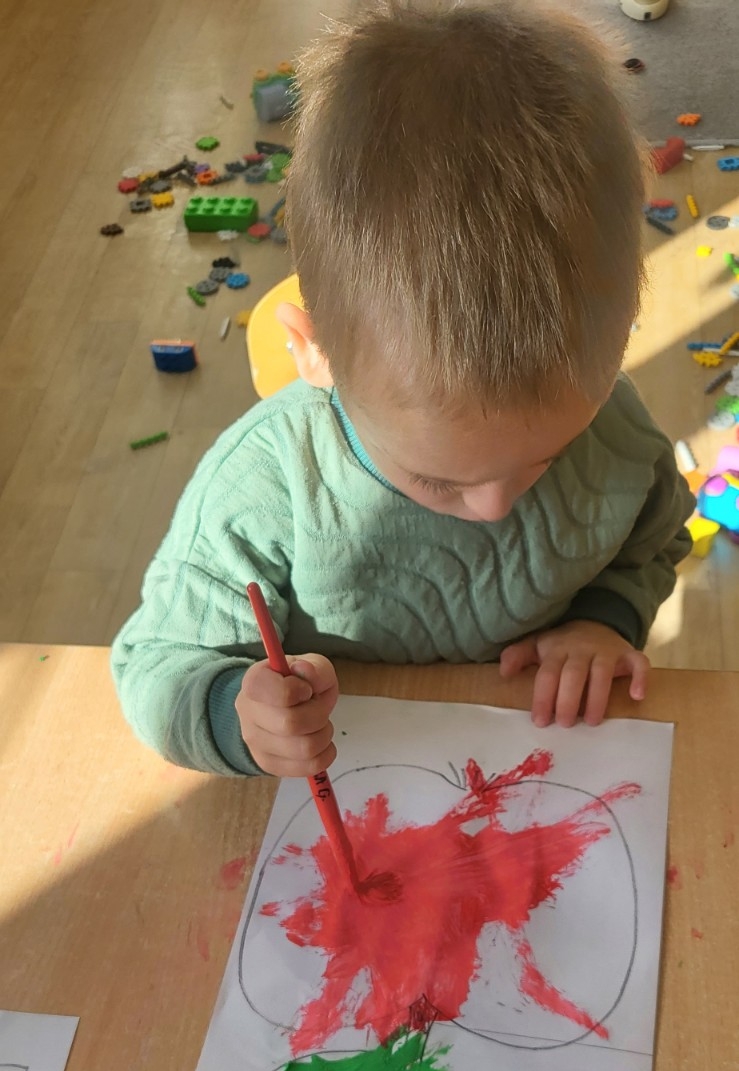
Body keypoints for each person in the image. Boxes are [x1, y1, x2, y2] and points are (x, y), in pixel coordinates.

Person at [112, 0, 693, 778]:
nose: (495, 507)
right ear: (313, 352)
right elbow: (155, 664)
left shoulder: (616, 434)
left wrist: (605, 620)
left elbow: (651, 543)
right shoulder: (261, 491)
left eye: (546, 459)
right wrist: (233, 715)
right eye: (437, 479)